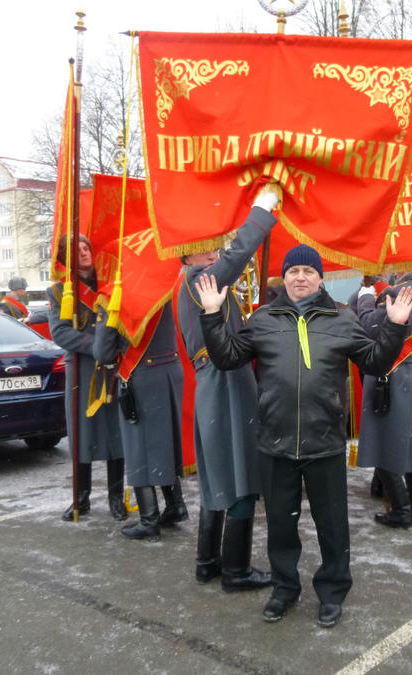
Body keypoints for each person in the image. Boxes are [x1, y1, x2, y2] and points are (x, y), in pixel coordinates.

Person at [195, 244, 412, 628]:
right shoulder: (262, 318)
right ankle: (284, 589)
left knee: (333, 526)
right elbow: (226, 357)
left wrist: (395, 325)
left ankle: (332, 592)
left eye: (308, 272)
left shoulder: (343, 319)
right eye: (293, 271)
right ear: (284, 278)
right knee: (281, 526)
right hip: (275, 442)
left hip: (325, 442)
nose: (300, 278)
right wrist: (212, 315)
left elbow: (376, 362)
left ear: (320, 278)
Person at [175, 185, 279, 592]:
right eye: (203, 249)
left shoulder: (194, 283)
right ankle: (235, 571)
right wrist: (261, 211)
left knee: (220, 475)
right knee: (239, 475)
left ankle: (208, 562)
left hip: (218, 382)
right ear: (187, 256)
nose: (213, 252)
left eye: (212, 246)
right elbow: (238, 257)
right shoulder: (200, 281)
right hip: (225, 383)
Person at [94, 286, 186, 542]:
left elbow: (103, 352)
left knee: (139, 448)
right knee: (164, 443)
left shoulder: (115, 292)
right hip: (170, 369)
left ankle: (149, 519)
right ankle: (175, 504)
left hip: (142, 375)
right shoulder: (161, 285)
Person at [47, 235, 126, 522]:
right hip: (81, 368)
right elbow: (61, 332)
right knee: (82, 434)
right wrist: (98, 346)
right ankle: (81, 499)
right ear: (65, 258)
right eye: (75, 250)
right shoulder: (59, 291)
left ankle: (116, 498)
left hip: (114, 367)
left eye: (85, 247)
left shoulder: (111, 282)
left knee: (116, 433)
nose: (82, 252)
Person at [355, 273, 412, 528]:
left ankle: (401, 511)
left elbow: (369, 325)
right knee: (409, 442)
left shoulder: (400, 293)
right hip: (411, 370)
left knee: (382, 442)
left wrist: (365, 299)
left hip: (389, 371)